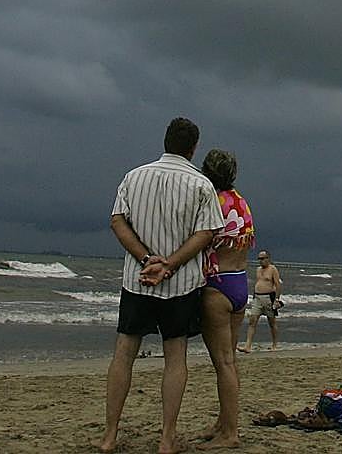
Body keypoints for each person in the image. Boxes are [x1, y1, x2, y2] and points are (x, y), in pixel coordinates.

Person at [97, 117, 225, 454]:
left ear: (166, 141)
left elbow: (116, 221)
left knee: (124, 354)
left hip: (137, 279)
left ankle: (110, 435)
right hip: (180, 284)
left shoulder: (133, 176)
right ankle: (166, 438)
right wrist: (170, 263)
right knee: (175, 357)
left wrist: (145, 258)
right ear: (193, 148)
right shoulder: (201, 185)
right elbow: (207, 232)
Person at [195, 148, 255, 449]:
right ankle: (223, 422)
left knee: (223, 363)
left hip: (217, 286)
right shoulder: (241, 202)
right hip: (240, 282)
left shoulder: (210, 202)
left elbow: (199, 239)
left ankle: (230, 432)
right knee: (229, 361)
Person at [242, 249, 283, 352]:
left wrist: (277, 300)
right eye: (259, 259)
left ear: (268, 259)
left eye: (262, 259)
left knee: (272, 322)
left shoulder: (272, 269)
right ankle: (248, 346)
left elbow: (278, 285)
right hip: (257, 297)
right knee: (252, 320)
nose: (260, 261)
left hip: (269, 298)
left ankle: (274, 345)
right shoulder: (258, 269)